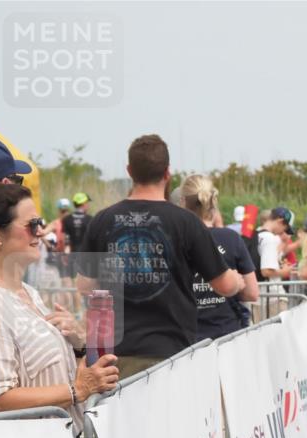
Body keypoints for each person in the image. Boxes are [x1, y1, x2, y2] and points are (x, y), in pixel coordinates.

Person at [75, 134, 242, 378]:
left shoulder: (102, 220)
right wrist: (237, 279)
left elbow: (84, 285)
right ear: (167, 173)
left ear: (129, 171)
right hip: (172, 355)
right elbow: (225, 286)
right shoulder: (186, 222)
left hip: (115, 356)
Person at [0, 184, 118, 431]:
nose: (40, 232)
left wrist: (78, 344)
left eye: (40, 223)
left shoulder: (30, 292)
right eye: (32, 225)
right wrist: (78, 389)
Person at [178, 175, 259, 338]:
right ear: (214, 203)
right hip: (225, 334)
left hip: (186, 337)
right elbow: (252, 293)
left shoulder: (174, 238)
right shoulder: (231, 238)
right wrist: (235, 286)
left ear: (183, 202)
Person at [256, 207, 296, 280]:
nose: (283, 232)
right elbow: (266, 271)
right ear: (280, 221)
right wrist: (284, 272)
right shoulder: (270, 238)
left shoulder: (257, 234)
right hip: (267, 285)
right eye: (285, 228)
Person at [63, 192, 92, 257]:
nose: (88, 205)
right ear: (84, 203)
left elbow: (66, 241)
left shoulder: (67, 219)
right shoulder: (90, 219)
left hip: (72, 256)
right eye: (87, 203)